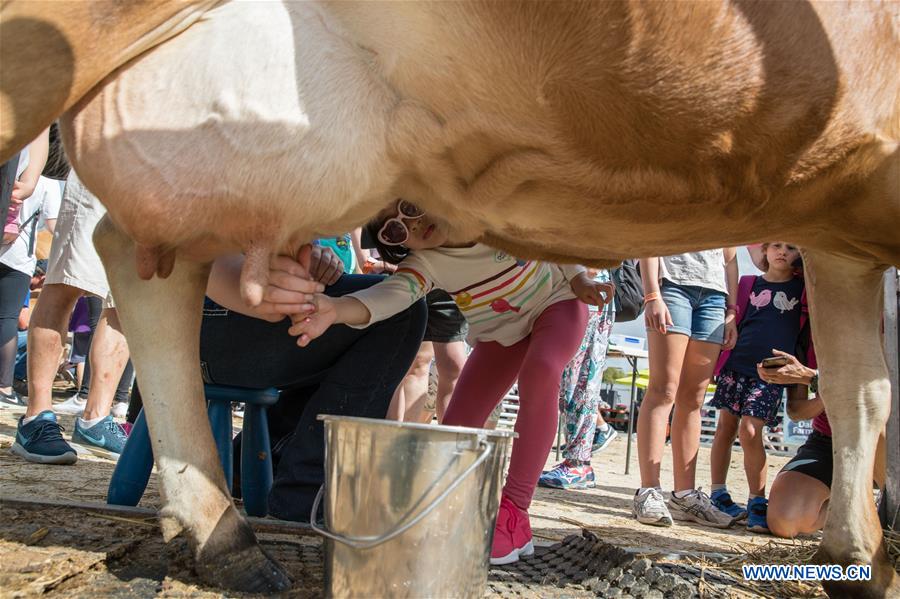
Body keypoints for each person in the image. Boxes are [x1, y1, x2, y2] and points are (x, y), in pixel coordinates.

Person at [289, 199, 613, 565]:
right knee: (457, 425)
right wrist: (336, 310)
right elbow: (390, 294)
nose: (411, 226)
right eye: (396, 231)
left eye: (409, 208)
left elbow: (541, 234)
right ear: (401, 247)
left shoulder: (488, 217)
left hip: (557, 302)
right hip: (500, 337)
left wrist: (579, 277)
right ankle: (455, 513)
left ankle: (514, 514)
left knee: (540, 371)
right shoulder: (425, 263)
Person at [199, 243, 427, 522]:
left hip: (200, 317)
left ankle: (256, 464)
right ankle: (307, 495)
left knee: (350, 316)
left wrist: (313, 257)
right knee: (400, 312)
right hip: (197, 316)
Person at [13, 172, 130, 463]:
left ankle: (96, 418)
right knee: (67, 279)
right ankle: (36, 417)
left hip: (154, 179)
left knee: (129, 297)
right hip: (103, 161)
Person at [633, 249, 738, 528]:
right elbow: (650, 240)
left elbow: (730, 258)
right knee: (663, 390)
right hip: (672, 285)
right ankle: (649, 491)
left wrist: (731, 311)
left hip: (715, 296)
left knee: (694, 398)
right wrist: (652, 294)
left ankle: (685, 496)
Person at [708, 243, 808, 533]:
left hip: (772, 374)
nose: (782, 252)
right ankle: (718, 494)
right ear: (764, 250)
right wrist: (718, 363)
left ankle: (756, 501)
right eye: (776, 245)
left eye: (790, 248)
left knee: (751, 431)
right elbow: (732, 322)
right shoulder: (748, 283)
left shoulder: (803, 289)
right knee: (724, 428)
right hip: (736, 364)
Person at [539, 267, 616, 489]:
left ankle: (579, 463)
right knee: (567, 381)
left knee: (580, 381)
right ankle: (577, 458)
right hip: (572, 291)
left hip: (589, 293)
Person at [755, 351, 831, 538]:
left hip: (881, 443)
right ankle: (853, 505)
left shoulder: (885, 324)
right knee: (785, 522)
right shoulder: (805, 336)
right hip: (828, 442)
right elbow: (796, 411)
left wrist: (811, 378)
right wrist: (828, 396)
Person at [1, 167, 58, 406]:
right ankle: (4, 387)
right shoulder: (46, 183)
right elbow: (54, 226)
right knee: (7, 319)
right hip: (17, 257)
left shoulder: (7, 166)